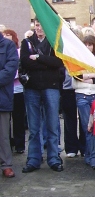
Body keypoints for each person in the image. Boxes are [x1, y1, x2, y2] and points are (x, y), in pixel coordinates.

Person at [21, 19, 64, 173]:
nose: (39, 28)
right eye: (37, 25)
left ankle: (54, 158)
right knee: (34, 127)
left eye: (42, 25)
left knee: (52, 125)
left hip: (51, 87)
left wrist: (39, 58)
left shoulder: (54, 42)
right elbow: (26, 62)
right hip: (32, 88)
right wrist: (47, 64)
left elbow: (58, 62)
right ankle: (33, 159)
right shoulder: (26, 42)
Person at [72, 35, 95, 168]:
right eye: (85, 44)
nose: (88, 47)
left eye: (90, 44)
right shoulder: (76, 60)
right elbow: (76, 76)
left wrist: (87, 77)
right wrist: (92, 75)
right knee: (88, 127)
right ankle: (91, 156)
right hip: (82, 95)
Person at [3, 29, 26, 154]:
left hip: (17, 90)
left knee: (18, 118)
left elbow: (16, 69)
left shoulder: (17, 51)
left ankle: (19, 144)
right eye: (5, 35)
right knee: (6, 121)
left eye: (9, 35)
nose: (7, 37)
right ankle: (8, 144)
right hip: (5, 90)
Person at [0, 29, 18, 178]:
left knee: (3, 134)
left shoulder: (7, 45)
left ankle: (6, 164)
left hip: (2, 96)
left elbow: (10, 69)